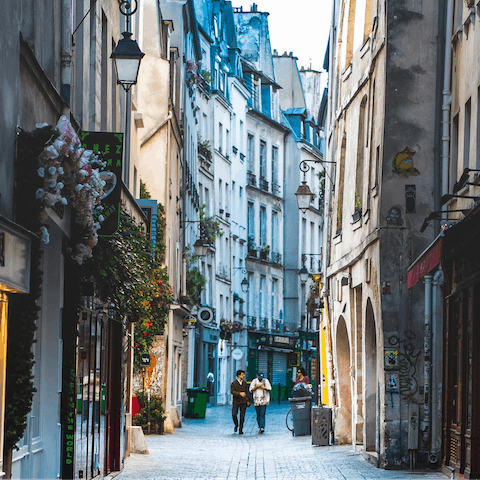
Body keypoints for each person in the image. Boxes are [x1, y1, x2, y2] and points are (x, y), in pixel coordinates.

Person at [230, 369, 249, 434]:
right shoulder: (234, 383)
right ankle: (236, 424)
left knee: (242, 416)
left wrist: (248, 401)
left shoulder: (245, 383)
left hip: (243, 402)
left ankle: (241, 429)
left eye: (244, 374)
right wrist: (239, 393)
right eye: (242, 374)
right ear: (238, 375)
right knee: (234, 414)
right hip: (236, 401)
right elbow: (232, 392)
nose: (243, 376)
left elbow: (247, 392)